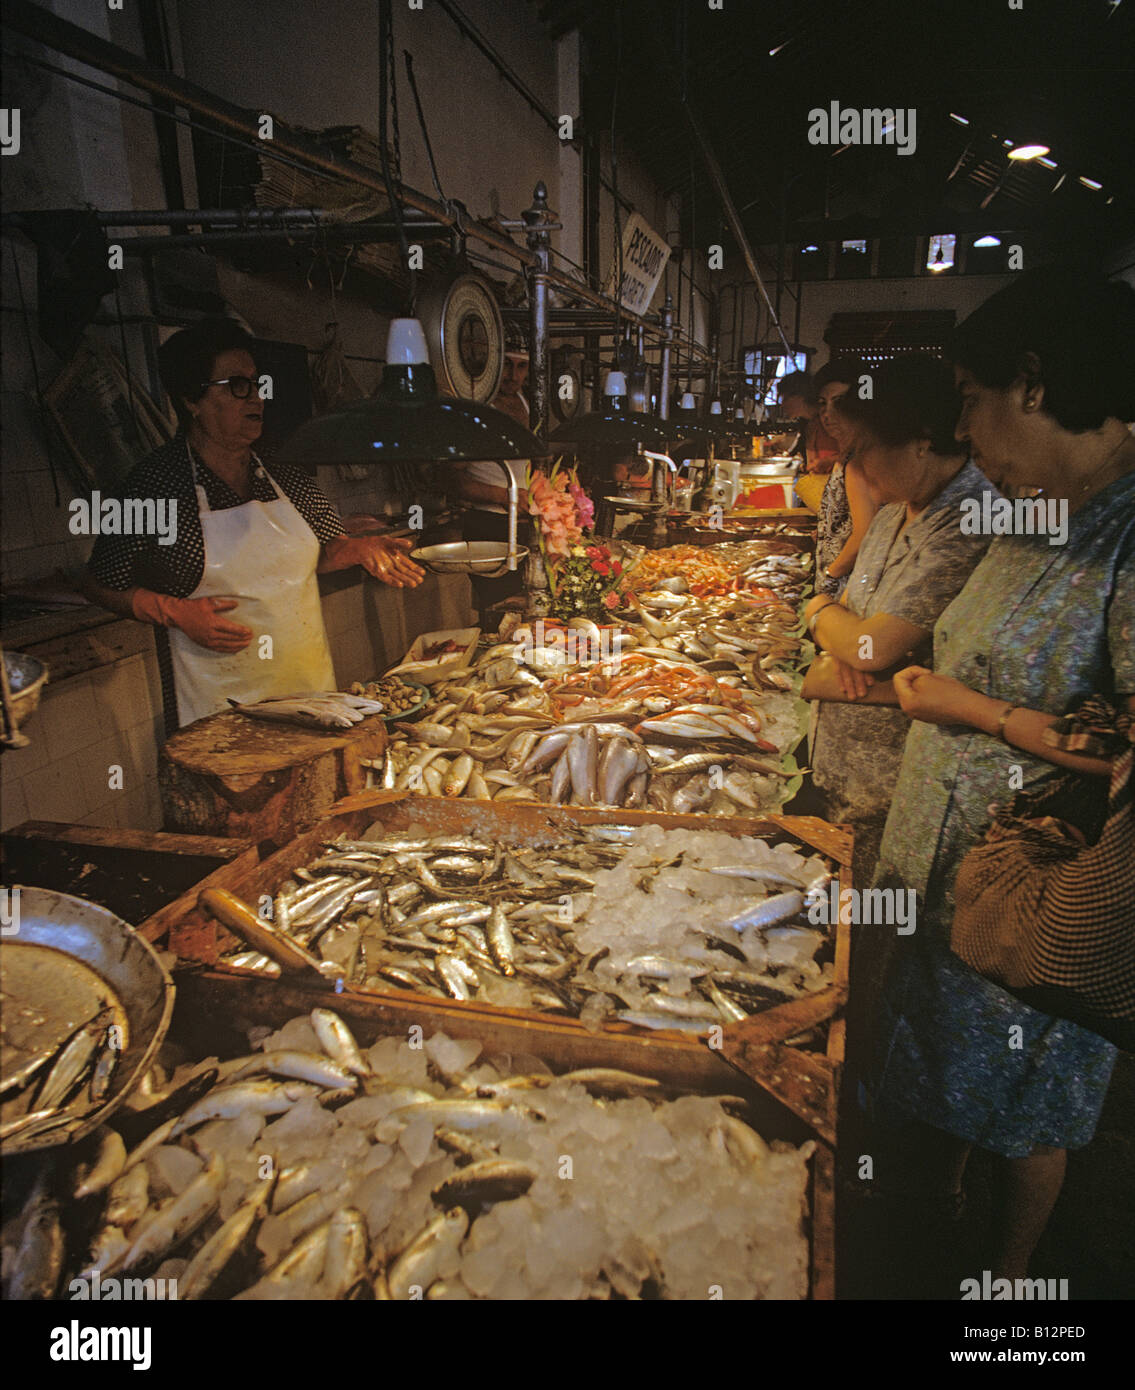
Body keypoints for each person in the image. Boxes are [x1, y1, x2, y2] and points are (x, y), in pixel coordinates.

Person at [866, 267, 1135, 1283]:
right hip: (942, 865)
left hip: (1038, 898)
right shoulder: (1045, 509)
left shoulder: (1128, 530)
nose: (965, 429)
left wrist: (970, 709)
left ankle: (1002, 1290)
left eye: (971, 400)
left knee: (1028, 1099)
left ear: (1031, 384)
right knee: (941, 1065)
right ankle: (933, 1213)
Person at [84, 317, 424, 727]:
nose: (256, 398)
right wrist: (173, 611)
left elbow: (320, 551)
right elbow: (98, 582)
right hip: (219, 709)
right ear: (192, 400)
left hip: (310, 692)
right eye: (238, 386)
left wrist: (355, 548)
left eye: (257, 383)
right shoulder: (153, 485)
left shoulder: (283, 470)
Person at [802, 355, 1000, 886]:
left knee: (879, 938)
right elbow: (854, 635)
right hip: (841, 785)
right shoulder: (894, 511)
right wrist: (838, 634)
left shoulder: (971, 517)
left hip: (899, 797)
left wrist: (819, 613)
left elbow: (872, 649)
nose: (857, 470)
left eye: (863, 452)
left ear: (919, 441)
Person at [457, 332, 532, 623]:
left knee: (528, 608)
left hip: (523, 526)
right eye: (506, 365)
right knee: (500, 613)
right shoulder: (474, 410)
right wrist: (507, 497)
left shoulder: (526, 404)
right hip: (486, 526)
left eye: (521, 367)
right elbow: (452, 482)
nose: (513, 376)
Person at [813, 357, 878, 596]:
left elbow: (865, 532)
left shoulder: (858, 459)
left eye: (838, 403)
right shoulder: (847, 454)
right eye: (823, 404)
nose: (827, 414)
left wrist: (830, 575)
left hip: (846, 588)